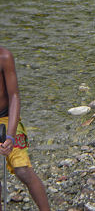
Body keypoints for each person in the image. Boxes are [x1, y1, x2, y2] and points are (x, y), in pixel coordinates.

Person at [0, 46, 50, 211]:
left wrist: (10, 136)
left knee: (22, 170)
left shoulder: (4, 57)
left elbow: (14, 96)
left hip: (6, 117)